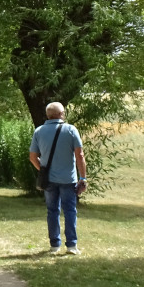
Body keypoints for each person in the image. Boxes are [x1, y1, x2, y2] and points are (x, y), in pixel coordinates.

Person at [29, 101, 87, 255]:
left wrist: (43, 170)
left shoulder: (39, 131)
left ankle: (54, 245)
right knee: (70, 211)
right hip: (68, 179)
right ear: (61, 114)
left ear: (48, 115)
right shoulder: (71, 130)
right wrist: (83, 177)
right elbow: (80, 155)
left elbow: (33, 157)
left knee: (52, 211)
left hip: (49, 180)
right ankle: (71, 245)